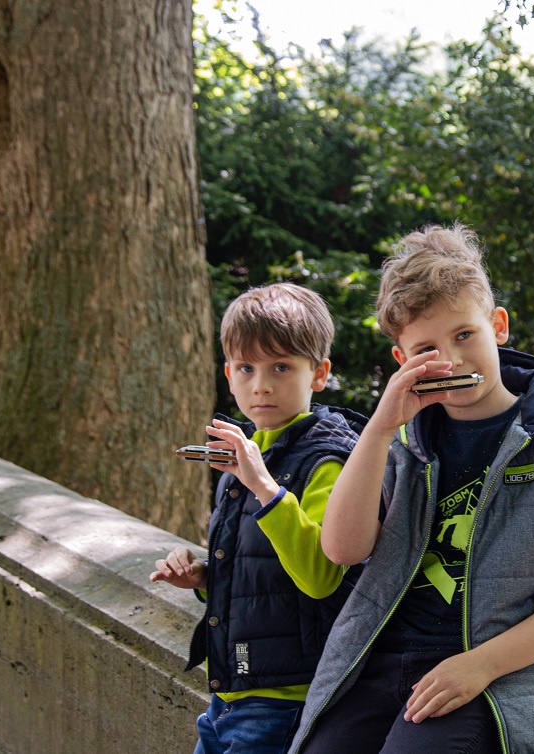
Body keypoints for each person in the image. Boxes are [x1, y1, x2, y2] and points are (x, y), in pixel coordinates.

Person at [286, 224, 534, 754]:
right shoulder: (399, 437)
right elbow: (342, 549)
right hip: (386, 657)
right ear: (403, 361)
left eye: (465, 335)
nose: (454, 360)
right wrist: (377, 429)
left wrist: (480, 665)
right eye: (427, 348)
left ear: (498, 326)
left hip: (508, 674)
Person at [150, 282, 367, 754]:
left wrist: (264, 486)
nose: (261, 384)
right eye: (246, 368)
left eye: (281, 367)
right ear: (228, 374)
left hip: (286, 698)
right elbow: (260, 567)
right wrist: (202, 576)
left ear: (320, 373)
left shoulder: (329, 459)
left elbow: (320, 575)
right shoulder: (241, 458)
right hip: (226, 695)